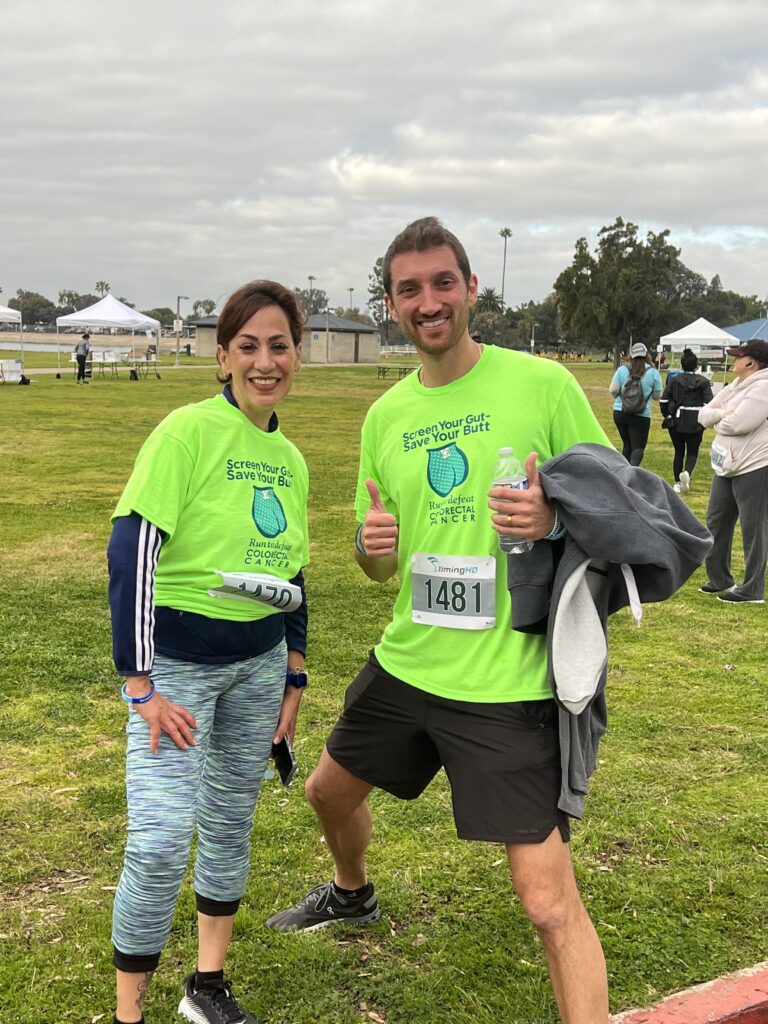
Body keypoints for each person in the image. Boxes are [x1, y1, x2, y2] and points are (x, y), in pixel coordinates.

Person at [266, 218, 613, 1023]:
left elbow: (620, 503)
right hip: (410, 660)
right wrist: (368, 544)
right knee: (324, 791)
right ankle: (352, 896)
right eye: (410, 289)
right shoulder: (385, 416)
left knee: (544, 900)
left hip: (506, 678)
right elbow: (376, 561)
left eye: (442, 283)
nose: (429, 302)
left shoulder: (541, 386)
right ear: (390, 304)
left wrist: (551, 518)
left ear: (471, 289)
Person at [107, 280, 309, 1024]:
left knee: (229, 822)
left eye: (280, 345)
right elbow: (134, 550)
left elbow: (291, 574)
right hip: (181, 671)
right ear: (222, 356)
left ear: (298, 354)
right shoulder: (185, 433)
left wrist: (294, 671)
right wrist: (141, 685)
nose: (265, 361)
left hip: (258, 667)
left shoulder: (288, 456)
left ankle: (208, 987)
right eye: (248, 346)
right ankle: (130, 1014)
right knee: (160, 841)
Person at [697, 338, 768, 604]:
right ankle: (719, 579)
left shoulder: (763, 387)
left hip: (755, 465)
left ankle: (752, 589)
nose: (733, 360)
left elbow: (738, 423)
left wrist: (720, 417)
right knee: (716, 520)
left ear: (750, 361)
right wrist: (721, 414)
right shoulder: (737, 385)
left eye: (738, 356)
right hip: (727, 463)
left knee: (754, 528)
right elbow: (704, 415)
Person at [659, 347, 714, 492]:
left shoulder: (674, 380)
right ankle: (687, 473)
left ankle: (677, 482)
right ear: (696, 366)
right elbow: (709, 404)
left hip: (677, 421)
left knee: (678, 451)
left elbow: (664, 400)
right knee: (692, 452)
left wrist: (667, 415)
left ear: (682, 364)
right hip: (696, 421)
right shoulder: (703, 382)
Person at [608, 342, 662, 465]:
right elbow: (656, 396)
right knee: (638, 447)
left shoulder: (622, 370)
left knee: (627, 445)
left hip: (620, 412)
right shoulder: (653, 372)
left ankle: (623, 473)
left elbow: (613, 390)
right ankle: (632, 474)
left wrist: (621, 398)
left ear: (631, 355)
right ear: (646, 355)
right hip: (641, 414)